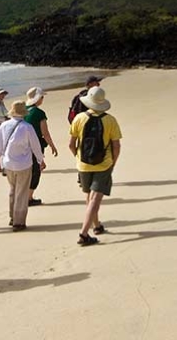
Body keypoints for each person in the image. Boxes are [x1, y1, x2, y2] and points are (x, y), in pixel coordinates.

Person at [68, 87, 122, 246]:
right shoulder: (110, 120)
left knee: (89, 197)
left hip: (83, 164)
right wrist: (113, 162)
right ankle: (84, 233)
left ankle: (96, 225)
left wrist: (78, 158)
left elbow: (71, 144)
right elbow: (116, 145)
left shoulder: (79, 118)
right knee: (95, 199)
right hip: (103, 163)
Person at [0, 101, 45, 231]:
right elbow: (35, 145)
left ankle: (12, 217)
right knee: (22, 192)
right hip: (23, 164)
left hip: (8, 163)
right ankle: (19, 221)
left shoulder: (4, 125)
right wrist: (40, 160)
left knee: (13, 190)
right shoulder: (27, 127)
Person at [24, 87, 58, 206]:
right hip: (36, 145)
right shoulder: (39, 113)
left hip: (22, 145)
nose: (42, 99)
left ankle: (24, 196)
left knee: (26, 171)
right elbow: (45, 133)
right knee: (36, 171)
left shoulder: (22, 110)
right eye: (42, 97)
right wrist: (52, 146)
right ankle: (29, 198)